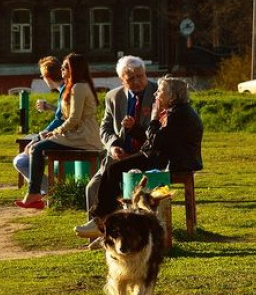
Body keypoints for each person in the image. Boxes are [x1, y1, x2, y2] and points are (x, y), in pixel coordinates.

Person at [85, 76, 203, 234]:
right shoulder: (177, 111)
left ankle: (102, 221)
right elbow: (156, 140)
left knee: (113, 170)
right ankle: (104, 219)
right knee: (113, 169)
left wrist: (154, 117)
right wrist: (134, 128)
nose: (156, 95)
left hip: (172, 163)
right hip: (164, 157)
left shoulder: (178, 115)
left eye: (160, 91)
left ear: (172, 96)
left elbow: (155, 143)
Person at [75, 55, 158, 237]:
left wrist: (135, 127)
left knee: (120, 185)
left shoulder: (158, 93)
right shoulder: (113, 97)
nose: (137, 82)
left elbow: (158, 133)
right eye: (131, 79)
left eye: (140, 76)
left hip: (144, 155)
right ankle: (101, 235)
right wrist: (112, 145)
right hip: (117, 156)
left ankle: (114, 232)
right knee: (92, 188)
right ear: (122, 80)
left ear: (145, 73)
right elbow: (104, 128)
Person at [16, 53, 103, 209]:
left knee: (37, 148)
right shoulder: (73, 86)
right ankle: (35, 193)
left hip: (83, 136)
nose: (61, 70)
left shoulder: (79, 87)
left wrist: (55, 132)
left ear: (73, 69)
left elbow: (74, 119)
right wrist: (51, 130)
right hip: (74, 134)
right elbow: (64, 116)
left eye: (64, 67)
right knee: (37, 147)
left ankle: (35, 193)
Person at [13, 56, 65, 195]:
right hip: (62, 135)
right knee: (25, 155)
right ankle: (45, 191)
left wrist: (41, 136)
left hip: (64, 137)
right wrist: (50, 107)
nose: (42, 78)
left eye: (42, 76)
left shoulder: (65, 91)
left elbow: (61, 119)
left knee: (21, 161)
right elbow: (65, 115)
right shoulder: (66, 89)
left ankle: (48, 191)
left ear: (48, 77)